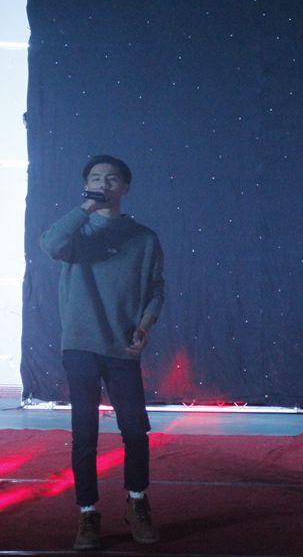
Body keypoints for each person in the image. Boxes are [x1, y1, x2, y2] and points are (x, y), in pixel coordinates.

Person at [40, 155, 165, 550]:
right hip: (80, 344)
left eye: (111, 179)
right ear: (86, 185)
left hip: (122, 347)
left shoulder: (143, 238)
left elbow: (156, 290)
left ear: (125, 187)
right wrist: (85, 209)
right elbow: (50, 244)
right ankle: (88, 512)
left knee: (135, 429)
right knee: (84, 432)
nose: (103, 184)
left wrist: (144, 327)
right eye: (95, 178)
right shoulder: (77, 233)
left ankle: (137, 501)